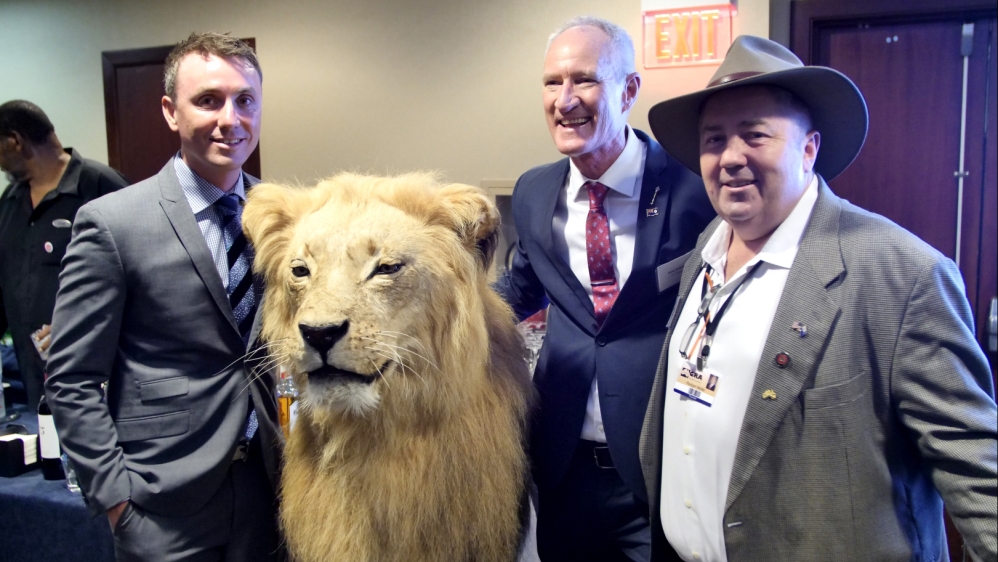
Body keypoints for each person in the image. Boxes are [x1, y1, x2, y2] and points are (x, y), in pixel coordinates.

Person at [639, 35, 997, 562]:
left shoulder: (901, 274)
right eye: (714, 139)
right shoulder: (703, 254)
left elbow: (976, 468)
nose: (730, 157)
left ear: (809, 148)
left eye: (755, 135)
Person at [45, 32, 283, 561]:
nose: (230, 118)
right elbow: (71, 377)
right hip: (163, 504)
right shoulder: (113, 223)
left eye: (245, 100)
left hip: (273, 491)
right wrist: (114, 497)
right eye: (208, 100)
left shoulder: (283, 217)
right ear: (171, 112)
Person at [495, 16, 715, 562]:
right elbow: (520, 289)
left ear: (629, 89)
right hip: (565, 469)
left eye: (584, 80)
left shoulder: (694, 187)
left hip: (660, 468)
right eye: (552, 82)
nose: (564, 100)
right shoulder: (534, 190)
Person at [0, 100, 128, 409]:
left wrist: (75, 323)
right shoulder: (10, 201)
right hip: (34, 381)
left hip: (97, 380)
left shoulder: (99, 185)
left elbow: (142, 277)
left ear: (15, 141)